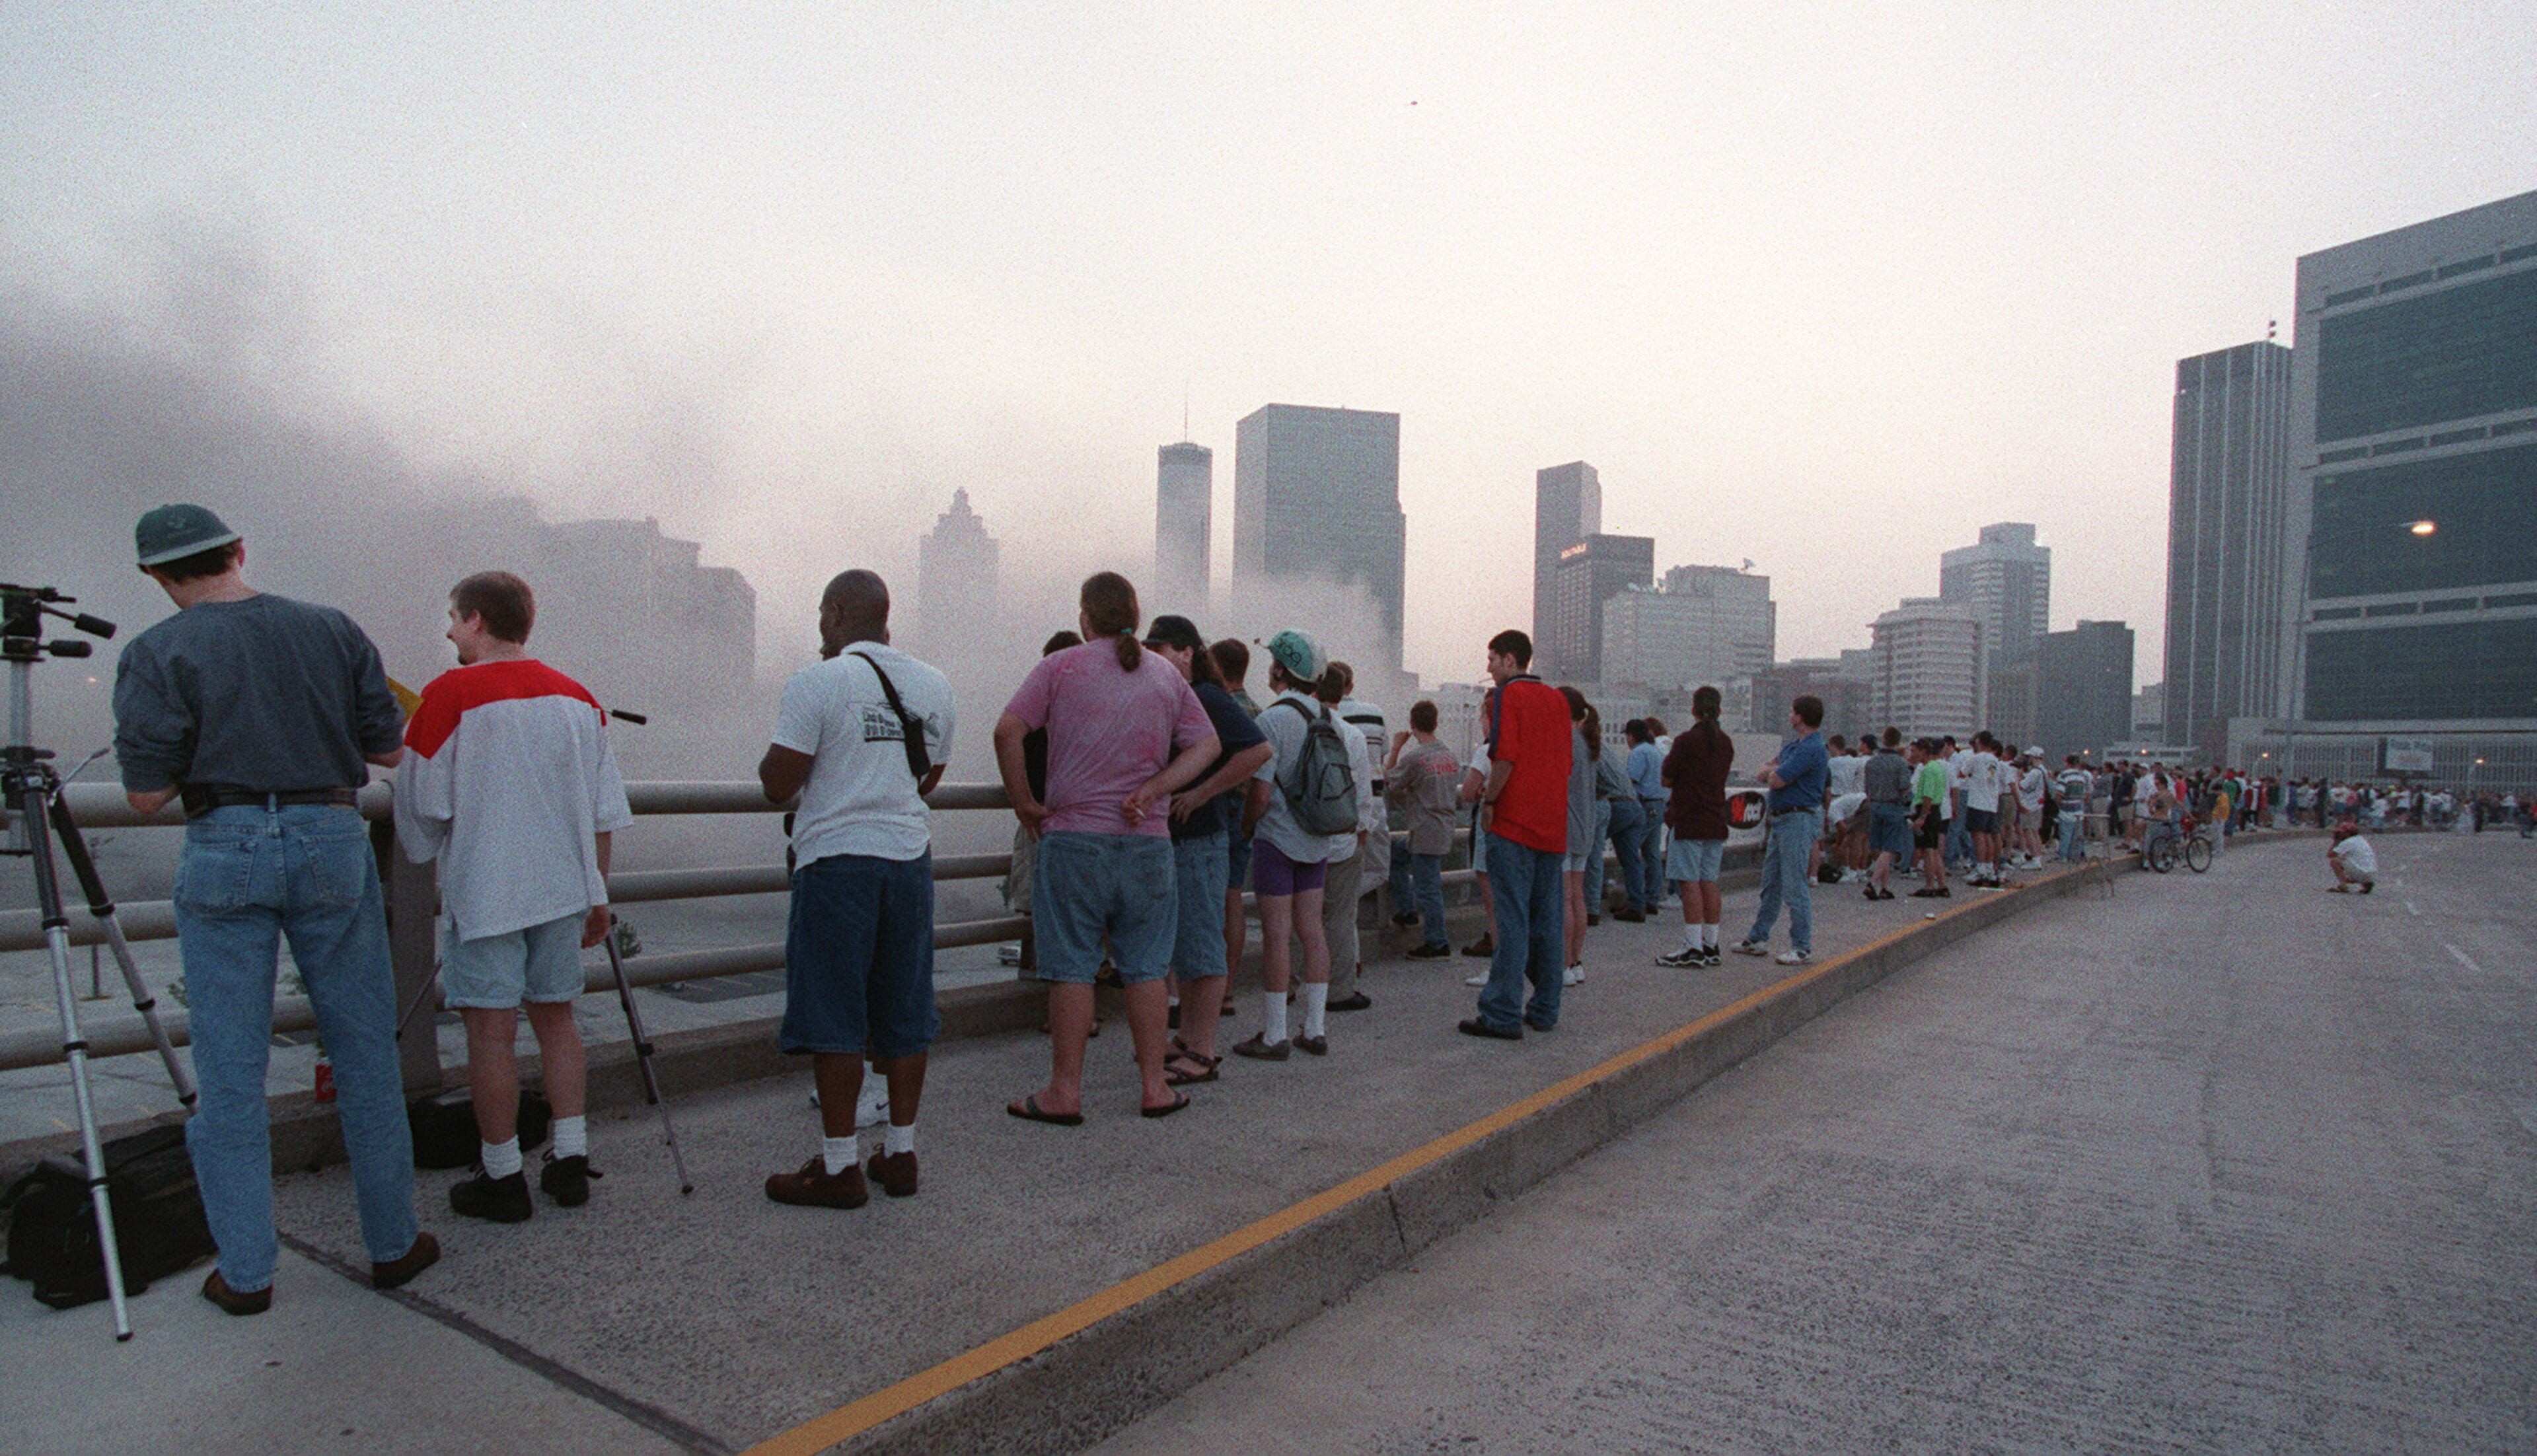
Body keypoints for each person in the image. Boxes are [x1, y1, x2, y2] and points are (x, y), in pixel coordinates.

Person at [112, 504, 434, 1315]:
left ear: (157, 576)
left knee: (229, 1075)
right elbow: (390, 749)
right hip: (332, 834)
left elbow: (146, 795)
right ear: (240, 551)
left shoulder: (157, 651)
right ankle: (394, 1243)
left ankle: (247, 1272)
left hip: (225, 846)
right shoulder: (330, 627)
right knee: (365, 1052)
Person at [395, 571, 633, 1222]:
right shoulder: (578, 698)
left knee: (492, 1035)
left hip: (489, 889)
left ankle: (502, 1175)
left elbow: (421, 803)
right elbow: (602, 811)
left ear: (476, 619)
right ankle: (569, 1159)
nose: (448, 630)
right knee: (557, 1020)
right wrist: (598, 894)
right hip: (563, 890)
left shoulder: (448, 696)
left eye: (452, 617)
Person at [755, 570, 953, 1206]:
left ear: (838, 612)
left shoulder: (818, 682)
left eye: (821, 611)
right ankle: (901, 1155)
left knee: (834, 1014)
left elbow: (777, 783)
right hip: (908, 860)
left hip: (837, 863)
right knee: (905, 1009)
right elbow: (929, 776)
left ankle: (839, 1167)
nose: (819, 623)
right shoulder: (934, 684)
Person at [996, 573, 1218, 1120]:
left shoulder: (1061, 666)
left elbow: (1007, 732)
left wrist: (1025, 801)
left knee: (1071, 966)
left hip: (1073, 840)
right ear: (1135, 618)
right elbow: (1207, 745)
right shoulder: (1165, 674)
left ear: (1085, 617)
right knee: (1145, 966)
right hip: (1146, 843)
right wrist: (1158, 787)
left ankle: (1064, 1093)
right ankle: (1154, 1088)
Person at [1140, 616, 1273, 1086]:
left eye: (1160, 649)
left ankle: (1202, 1048)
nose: (1152, 657)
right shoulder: (1179, 695)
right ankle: (1189, 1038)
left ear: (1186, 653)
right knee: (1186, 946)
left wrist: (1202, 793)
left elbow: (1257, 752)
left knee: (1201, 944)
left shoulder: (1209, 698)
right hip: (1180, 839)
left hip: (1200, 839)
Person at [1233, 630, 1341, 1059]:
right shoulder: (1330, 717)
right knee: (1312, 931)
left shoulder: (1272, 719)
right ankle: (1314, 1029)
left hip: (1277, 839)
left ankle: (1275, 1034)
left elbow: (1259, 796)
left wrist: (1246, 829)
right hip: (1318, 840)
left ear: (1281, 668)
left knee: (1277, 935)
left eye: (1274, 661)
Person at [1459, 630, 1571, 1040]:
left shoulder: (1508, 698)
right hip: (1552, 826)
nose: (1488, 668)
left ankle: (1502, 1012)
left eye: (1492, 659)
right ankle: (1545, 1008)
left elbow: (1504, 755)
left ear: (1510, 660)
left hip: (1514, 823)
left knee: (1511, 920)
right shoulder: (1558, 700)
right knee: (1547, 921)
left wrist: (1490, 802)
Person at [1303, 663, 1379, 1014]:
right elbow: (1364, 791)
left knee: (1299, 916)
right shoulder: (1353, 736)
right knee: (1340, 918)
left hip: (1304, 839)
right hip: (1345, 839)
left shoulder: (1302, 728)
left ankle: (1288, 983)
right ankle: (1340, 990)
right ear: (1344, 691)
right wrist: (1362, 828)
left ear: (1314, 692)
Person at [1734, 694, 1828, 965]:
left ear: (1800, 716)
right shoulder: (1794, 747)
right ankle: (1758, 937)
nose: (1789, 716)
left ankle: (1801, 946)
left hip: (1798, 819)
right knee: (1772, 881)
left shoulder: (1811, 749)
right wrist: (1773, 772)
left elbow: (1775, 779)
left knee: (1794, 884)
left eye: (1792, 712)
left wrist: (1773, 773)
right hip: (1782, 819)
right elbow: (1767, 770)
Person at [1654, 685, 1734, 968]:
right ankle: (1711, 944)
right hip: (1716, 820)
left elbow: (1666, 779)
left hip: (1689, 819)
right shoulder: (1725, 743)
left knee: (1688, 883)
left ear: (1694, 710)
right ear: (1719, 710)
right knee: (1709, 881)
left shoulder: (1686, 741)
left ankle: (1692, 946)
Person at [1384, 700, 1461, 959]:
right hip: (1444, 827)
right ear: (1436, 723)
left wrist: (1396, 747)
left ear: (1413, 725)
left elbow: (1390, 780)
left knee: (1428, 888)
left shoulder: (1416, 758)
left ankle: (1437, 942)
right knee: (1397, 854)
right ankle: (1407, 910)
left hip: (1425, 829)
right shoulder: (1450, 756)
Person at [1209, 638, 1263, 991]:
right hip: (1245, 812)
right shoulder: (1260, 712)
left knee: (1203, 899)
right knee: (1232, 898)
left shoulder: (1214, 708)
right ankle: (1227, 989)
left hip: (1213, 810)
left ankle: (1195, 991)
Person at [1861, 727, 1912, 900]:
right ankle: (1873, 883)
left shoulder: (1871, 762)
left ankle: (1885, 887)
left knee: (1878, 847)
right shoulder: (1901, 763)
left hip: (1875, 805)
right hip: (1893, 806)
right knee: (1889, 848)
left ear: (1883, 740)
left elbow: (1867, 788)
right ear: (1898, 742)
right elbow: (1904, 787)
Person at [1625, 718, 1669, 912]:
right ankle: (1653, 897)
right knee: (1652, 853)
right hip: (1658, 804)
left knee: (1631, 851)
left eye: (1627, 735)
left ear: (1632, 736)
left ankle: (1636, 899)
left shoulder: (1639, 752)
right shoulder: (1655, 751)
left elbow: (1631, 780)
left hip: (1644, 804)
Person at [1908, 738, 1953, 898]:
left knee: (1927, 851)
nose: (1914, 754)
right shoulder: (1939, 767)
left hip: (1927, 810)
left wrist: (1922, 817)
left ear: (1924, 752)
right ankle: (1942, 885)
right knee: (1934, 850)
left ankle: (1930, 885)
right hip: (1937, 810)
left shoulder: (1927, 769)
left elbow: (1927, 795)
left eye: (1916, 751)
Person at [2327, 821, 2376, 892]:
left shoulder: (2348, 842)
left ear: (2348, 833)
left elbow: (2331, 855)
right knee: (2353, 861)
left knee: (2335, 862)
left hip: (2361, 873)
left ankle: (2344, 887)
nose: (2339, 834)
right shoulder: (2361, 839)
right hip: (2372, 874)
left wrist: (2336, 841)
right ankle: (2367, 884)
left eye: (2341, 833)